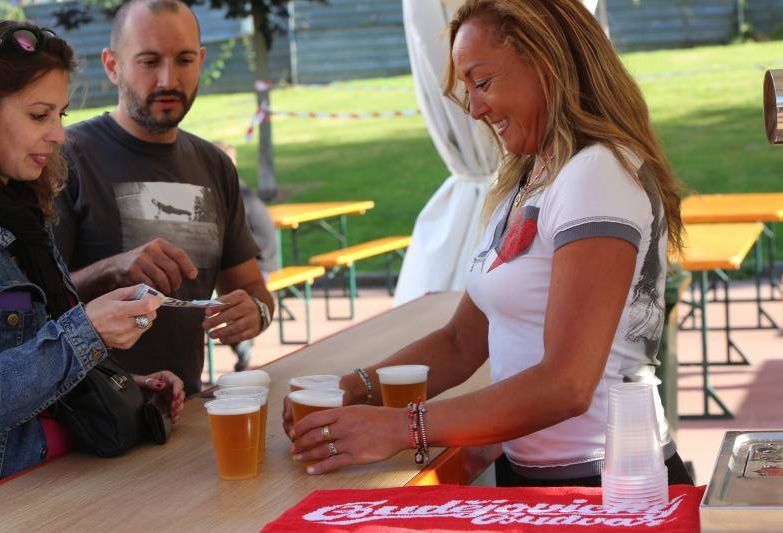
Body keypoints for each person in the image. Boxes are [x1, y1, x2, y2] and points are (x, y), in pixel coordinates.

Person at [286, 0, 693, 487]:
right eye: (468, 91)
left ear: (547, 63)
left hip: (606, 486)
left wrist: (401, 427)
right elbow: (461, 342)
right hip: (544, 481)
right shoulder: (529, 178)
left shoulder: (597, 172)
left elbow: (566, 386)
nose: (475, 109)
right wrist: (352, 390)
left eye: (482, 83)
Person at [0, 20, 185, 487]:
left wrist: (120, 384)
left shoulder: (23, 215)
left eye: (61, 115)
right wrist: (85, 333)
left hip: (68, 487)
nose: (58, 135)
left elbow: (28, 363)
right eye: (39, 115)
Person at [54, 0, 274, 396]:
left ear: (201, 61)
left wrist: (255, 312)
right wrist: (110, 270)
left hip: (180, 409)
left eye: (184, 60)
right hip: (87, 426)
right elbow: (30, 307)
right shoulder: (64, 157)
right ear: (112, 65)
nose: (168, 79)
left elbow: (252, 287)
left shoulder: (215, 164)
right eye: (149, 61)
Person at [213, 140, 279, 371]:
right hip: (264, 259)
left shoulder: (236, 194)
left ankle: (243, 350)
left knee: (225, 303)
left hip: (261, 263)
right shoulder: (239, 189)